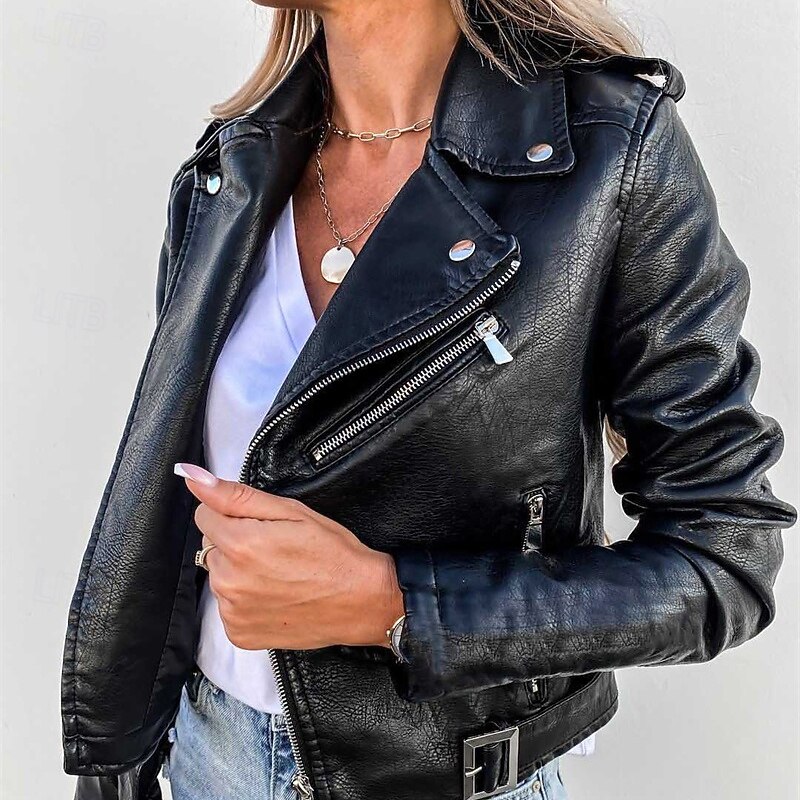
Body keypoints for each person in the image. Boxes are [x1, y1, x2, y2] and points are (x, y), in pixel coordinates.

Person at [61, 2, 798, 800]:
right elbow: (165, 522)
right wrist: (118, 766)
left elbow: (725, 559)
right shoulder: (231, 166)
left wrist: (397, 604)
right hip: (208, 759)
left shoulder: (608, 152)